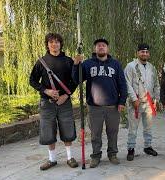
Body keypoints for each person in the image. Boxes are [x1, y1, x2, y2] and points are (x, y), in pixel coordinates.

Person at [72, 38, 127, 168]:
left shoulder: (115, 64)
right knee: (95, 134)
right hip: (94, 107)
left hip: (112, 106)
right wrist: (76, 65)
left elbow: (122, 84)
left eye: (103, 45)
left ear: (107, 49)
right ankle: (96, 156)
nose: (101, 47)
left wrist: (122, 101)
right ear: (95, 49)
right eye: (98, 46)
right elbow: (76, 80)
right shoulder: (87, 64)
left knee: (113, 132)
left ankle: (112, 154)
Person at [29, 33, 78, 170]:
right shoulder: (41, 61)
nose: (54, 44)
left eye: (57, 42)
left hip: (65, 102)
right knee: (48, 130)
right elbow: (32, 80)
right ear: (47, 44)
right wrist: (46, 91)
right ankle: (52, 159)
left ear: (61, 44)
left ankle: (70, 158)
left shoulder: (68, 61)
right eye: (51, 42)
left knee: (67, 128)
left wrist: (66, 95)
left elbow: (74, 81)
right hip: (47, 102)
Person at [124, 43, 160, 161]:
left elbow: (156, 84)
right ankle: (131, 149)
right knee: (133, 128)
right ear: (137, 53)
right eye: (142, 52)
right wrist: (134, 99)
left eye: (146, 52)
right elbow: (127, 84)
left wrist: (156, 99)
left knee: (148, 127)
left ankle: (148, 146)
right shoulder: (130, 66)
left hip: (149, 102)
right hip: (136, 103)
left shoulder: (152, 67)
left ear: (148, 54)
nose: (144, 54)